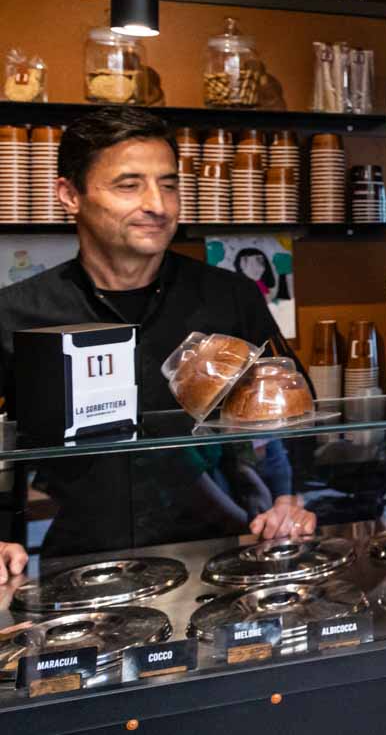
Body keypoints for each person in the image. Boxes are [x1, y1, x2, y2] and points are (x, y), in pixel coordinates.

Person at [0, 108, 316, 561]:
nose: (158, 204)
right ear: (69, 195)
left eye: (169, 184)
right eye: (129, 185)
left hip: (226, 549)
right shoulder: (17, 313)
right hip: (80, 562)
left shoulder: (230, 298)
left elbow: (291, 409)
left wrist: (289, 498)